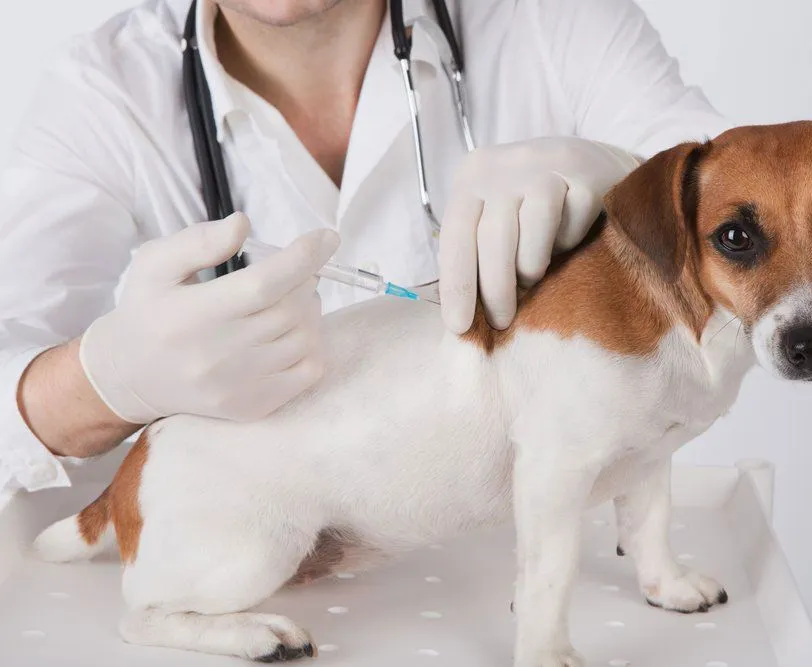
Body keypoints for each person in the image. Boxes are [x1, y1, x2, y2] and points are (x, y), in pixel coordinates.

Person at [0, 0, 729, 494]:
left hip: (552, 559)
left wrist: (632, 183)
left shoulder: (549, 22)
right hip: (262, 577)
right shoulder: (105, 93)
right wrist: (105, 382)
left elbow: (768, 205)